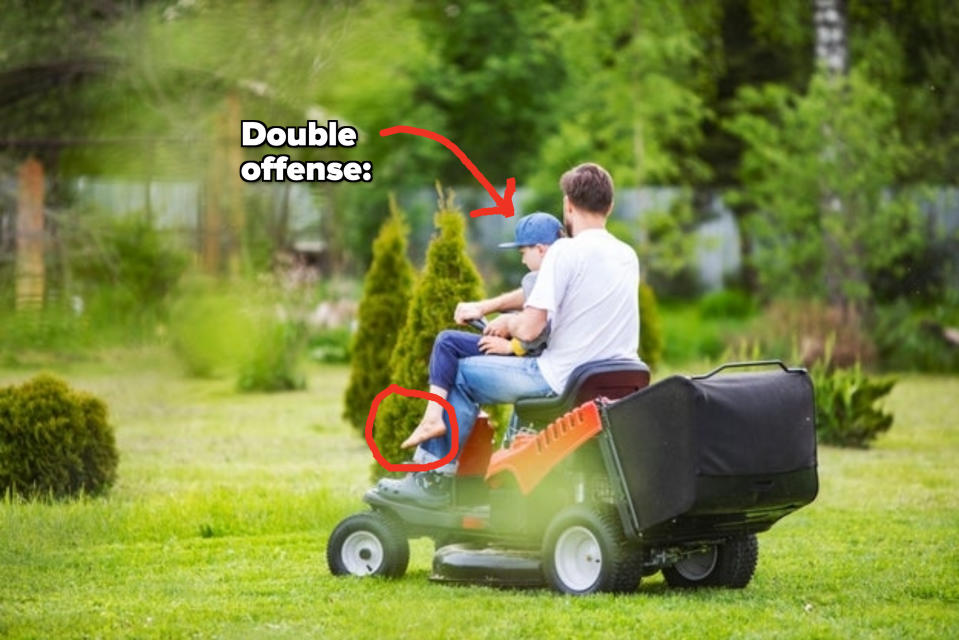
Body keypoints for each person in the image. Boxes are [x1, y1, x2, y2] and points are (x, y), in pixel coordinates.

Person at [378, 163, 640, 507]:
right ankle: (498, 480)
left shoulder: (565, 251)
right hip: (611, 382)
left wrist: (507, 324)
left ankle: (432, 479)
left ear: (568, 205)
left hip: (559, 379)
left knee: (457, 374)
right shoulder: (626, 255)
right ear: (610, 206)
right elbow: (544, 298)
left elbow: (530, 327)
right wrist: (497, 312)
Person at [400, 212, 564, 450]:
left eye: (523, 253)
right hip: (539, 357)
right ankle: (435, 420)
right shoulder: (566, 273)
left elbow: (538, 329)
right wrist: (496, 317)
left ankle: (433, 423)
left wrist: (511, 345)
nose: (522, 261)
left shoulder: (539, 277)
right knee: (452, 343)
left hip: (534, 360)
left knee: (447, 343)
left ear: (540, 249)